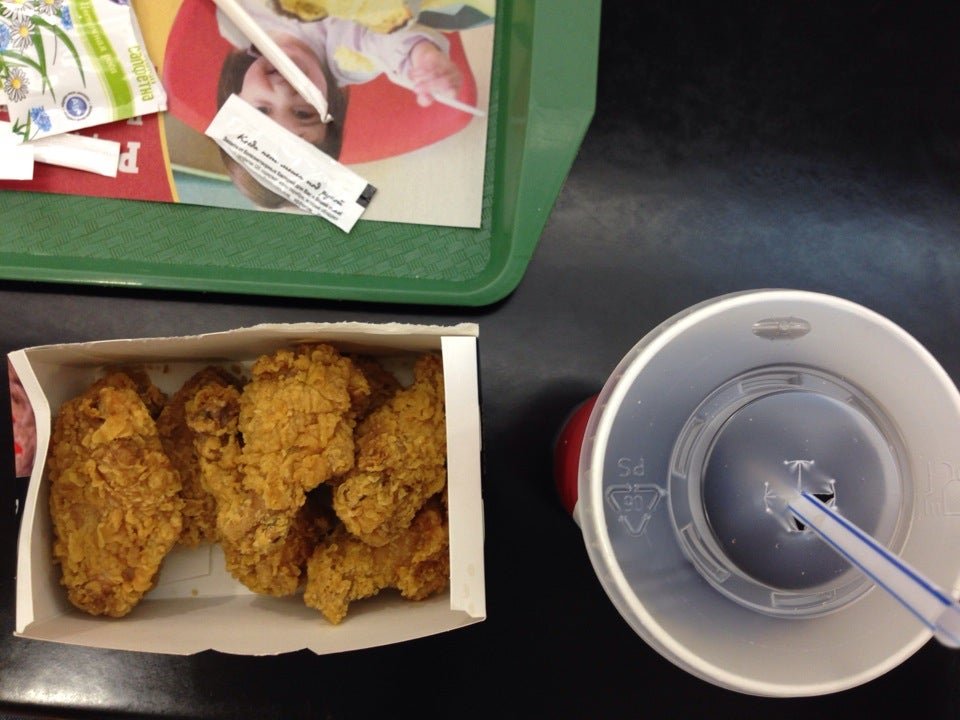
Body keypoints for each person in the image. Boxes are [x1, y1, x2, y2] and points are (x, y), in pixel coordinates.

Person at [216, 0, 463, 208]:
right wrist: (421, 59)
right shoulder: (351, 58)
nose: (283, 92)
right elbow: (387, 45)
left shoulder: (236, 22)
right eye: (303, 113)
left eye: (262, 111)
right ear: (330, 106)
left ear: (236, 98)